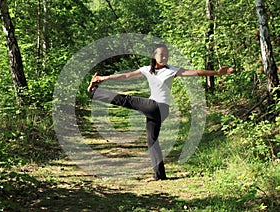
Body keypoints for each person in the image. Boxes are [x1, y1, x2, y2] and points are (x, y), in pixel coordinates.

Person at [87, 44, 234, 182]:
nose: (165, 58)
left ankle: (94, 93)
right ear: (154, 56)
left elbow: (196, 72)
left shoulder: (171, 70)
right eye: (162, 55)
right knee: (152, 141)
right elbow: (126, 76)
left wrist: (217, 73)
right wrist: (103, 78)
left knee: (127, 100)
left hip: (159, 107)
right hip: (154, 109)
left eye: (166, 56)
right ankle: (159, 175)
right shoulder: (146, 70)